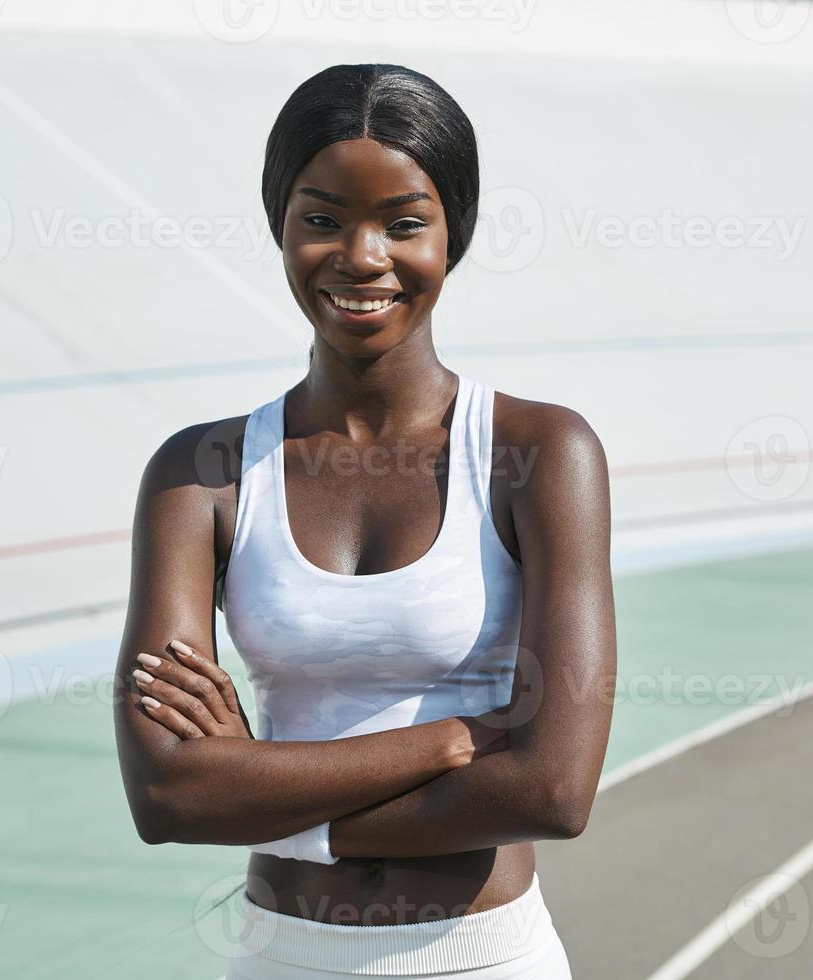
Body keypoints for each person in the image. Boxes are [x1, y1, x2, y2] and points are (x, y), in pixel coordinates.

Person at [111, 63, 616, 980]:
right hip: (280, 957)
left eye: (405, 222)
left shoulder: (540, 453)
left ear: (452, 234)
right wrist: (449, 741)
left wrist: (258, 785)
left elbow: (552, 788)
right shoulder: (199, 475)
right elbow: (169, 795)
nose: (363, 255)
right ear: (280, 228)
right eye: (322, 219)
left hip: (484, 959)